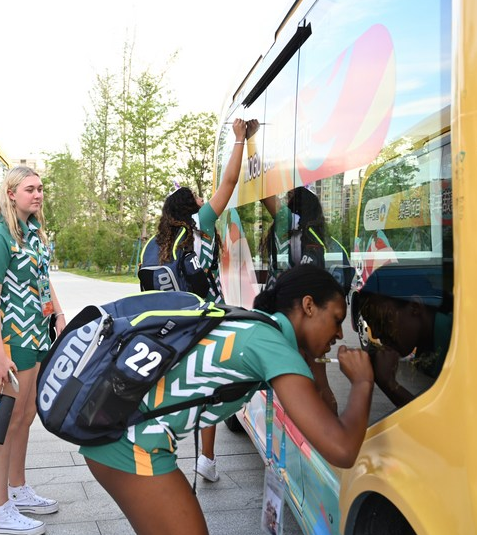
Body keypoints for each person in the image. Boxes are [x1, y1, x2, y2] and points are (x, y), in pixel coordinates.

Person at [79, 265, 374, 535]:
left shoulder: (254, 325)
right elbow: (342, 448)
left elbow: (323, 418)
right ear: (308, 306)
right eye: (336, 320)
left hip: (114, 432)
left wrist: (314, 368)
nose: (339, 335)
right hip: (130, 445)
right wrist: (363, 383)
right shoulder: (270, 345)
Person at [140, 118, 258, 483]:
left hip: (164, 331)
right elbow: (229, 183)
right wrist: (239, 140)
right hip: (204, 321)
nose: (205, 202)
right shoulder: (199, 226)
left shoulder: (151, 247)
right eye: (198, 201)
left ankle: (163, 454)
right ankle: (205, 458)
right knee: (210, 388)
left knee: (177, 390)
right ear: (191, 210)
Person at [0, 166, 65, 535]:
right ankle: (0, 510)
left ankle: (18, 489)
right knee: (6, 421)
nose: (38, 194)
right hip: (13, 342)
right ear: (11, 193)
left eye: (41, 188)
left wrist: (60, 317)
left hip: (37, 337)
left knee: (26, 415)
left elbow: (44, 281)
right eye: (30, 188)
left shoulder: (34, 234)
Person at [261, 185, 344, 416]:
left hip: (295, 318)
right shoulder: (304, 233)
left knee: (312, 382)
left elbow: (265, 194)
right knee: (315, 381)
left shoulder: (292, 228)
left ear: (297, 207)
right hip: (302, 317)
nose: (283, 203)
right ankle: (325, 426)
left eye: (289, 199)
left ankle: (324, 430)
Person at [354, 264, 452, 407]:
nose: (375, 334)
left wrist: (390, 385)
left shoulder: (455, 343)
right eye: (372, 325)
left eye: (383, 322)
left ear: (415, 307)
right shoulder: (428, 350)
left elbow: (443, 426)